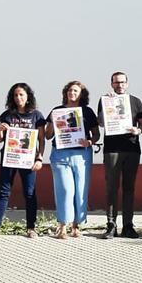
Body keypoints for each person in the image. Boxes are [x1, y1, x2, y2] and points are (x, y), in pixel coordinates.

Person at [0, 83, 46, 239]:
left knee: (29, 193)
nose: (18, 98)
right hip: (9, 158)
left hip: (28, 160)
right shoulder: (7, 115)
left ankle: (31, 227)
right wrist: (0, 130)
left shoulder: (37, 116)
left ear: (28, 96)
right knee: (3, 192)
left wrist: (39, 158)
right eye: (15, 95)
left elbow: (41, 139)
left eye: (21, 94)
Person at [45, 80, 99, 239]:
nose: (72, 93)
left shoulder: (87, 111)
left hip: (82, 155)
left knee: (80, 190)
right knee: (65, 190)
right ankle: (62, 225)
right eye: (69, 90)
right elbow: (48, 136)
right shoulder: (57, 111)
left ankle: (77, 225)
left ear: (81, 94)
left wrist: (89, 142)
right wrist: (53, 125)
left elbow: (96, 134)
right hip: (60, 154)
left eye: (75, 91)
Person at [98, 72, 142, 239]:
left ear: (127, 83)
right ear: (112, 84)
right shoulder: (105, 100)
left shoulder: (136, 101)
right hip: (112, 149)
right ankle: (111, 225)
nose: (119, 85)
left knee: (129, 188)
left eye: (122, 82)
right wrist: (107, 104)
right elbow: (102, 123)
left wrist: (138, 130)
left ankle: (128, 226)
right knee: (111, 187)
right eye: (116, 82)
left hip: (132, 148)